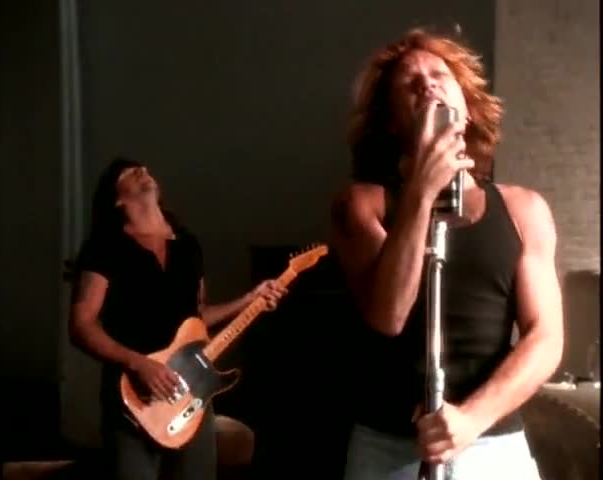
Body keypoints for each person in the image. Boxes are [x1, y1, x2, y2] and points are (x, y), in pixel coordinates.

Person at [330, 28, 563, 480]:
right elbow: (388, 315)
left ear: (467, 104)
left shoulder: (524, 209)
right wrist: (421, 190)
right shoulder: (361, 204)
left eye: (439, 75)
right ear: (391, 120)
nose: (428, 86)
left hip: (494, 444)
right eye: (410, 83)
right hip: (390, 448)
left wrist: (470, 420)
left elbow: (546, 336)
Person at [69, 157, 287, 480]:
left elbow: (198, 317)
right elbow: (81, 325)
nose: (143, 172)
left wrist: (249, 300)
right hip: (133, 401)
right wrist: (139, 364)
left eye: (145, 169)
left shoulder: (187, 245)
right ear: (116, 199)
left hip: (190, 393)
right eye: (130, 173)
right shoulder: (104, 247)